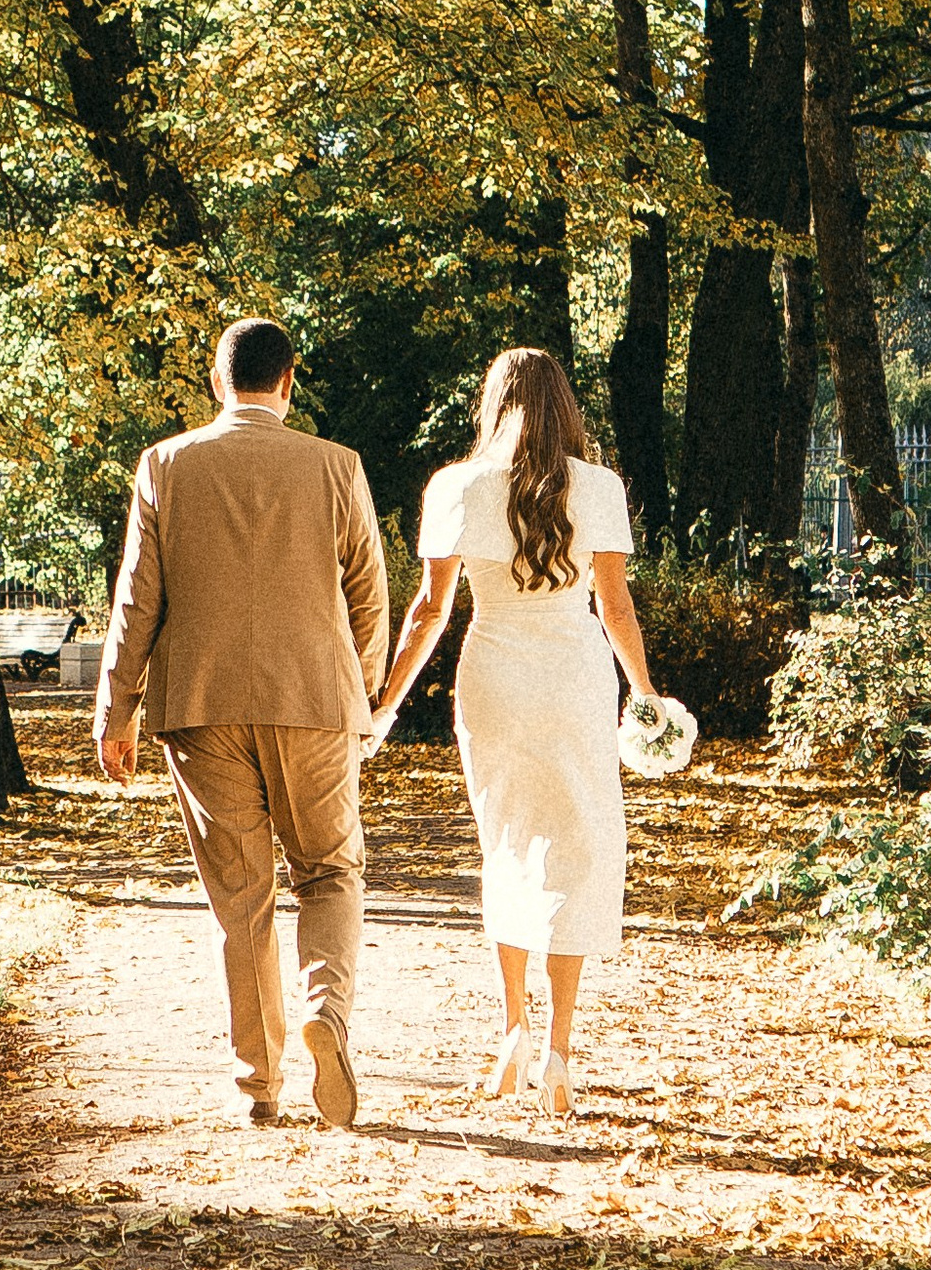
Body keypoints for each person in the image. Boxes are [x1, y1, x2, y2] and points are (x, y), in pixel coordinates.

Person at [94, 318, 389, 1128]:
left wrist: (116, 709)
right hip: (316, 701)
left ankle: (261, 1083)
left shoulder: (166, 464)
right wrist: (362, 691)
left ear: (217, 383)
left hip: (202, 706)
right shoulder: (337, 466)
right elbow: (369, 590)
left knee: (243, 898)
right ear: (288, 382)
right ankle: (326, 1012)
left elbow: (137, 595)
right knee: (330, 871)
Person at [366, 346, 652, 1123]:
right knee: (575, 848)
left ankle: (512, 1030)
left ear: (492, 403)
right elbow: (615, 606)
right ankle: (560, 1047)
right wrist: (647, 692)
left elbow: (430, 609)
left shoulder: (456, 486)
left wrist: (386, 703)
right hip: (574, 675)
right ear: (565, 404)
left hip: (492, 676)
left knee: (507, 844)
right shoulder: (598, 487)